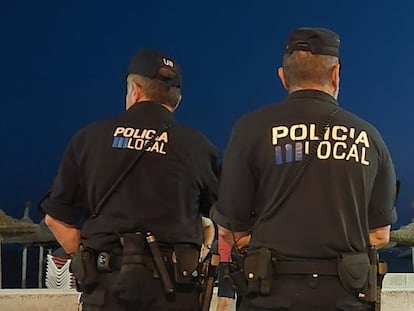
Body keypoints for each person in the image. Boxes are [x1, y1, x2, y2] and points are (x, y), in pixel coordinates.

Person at [211, 27, 398, 311]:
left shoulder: (251, 130)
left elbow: (228, 230)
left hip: (268, 295)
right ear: (336, 74)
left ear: (283, 77)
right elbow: (381, 234)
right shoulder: (369, 137)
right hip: (344, 297)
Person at [41, 49, 219, 311]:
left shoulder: (89, 139)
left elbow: (55, 218)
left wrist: (87, 261)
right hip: (174, 296)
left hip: (106, 293)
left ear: (135, 90)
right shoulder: (198, 147)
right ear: (176, 100)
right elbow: (227, 217)